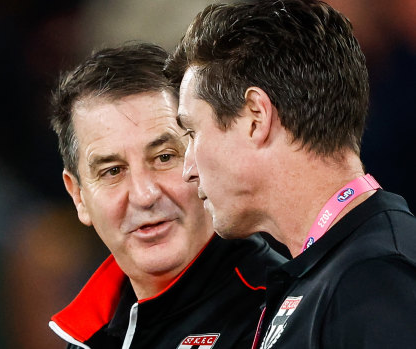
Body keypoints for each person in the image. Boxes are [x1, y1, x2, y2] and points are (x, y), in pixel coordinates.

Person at [165, 1, 416, 348]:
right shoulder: (336, 272)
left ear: (256, 118)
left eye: (193, 133)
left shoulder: (374, 279)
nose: (188, 170)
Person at [47, 42, 286, 349]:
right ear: (79, 196)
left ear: (206, 157)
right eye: (113, 171)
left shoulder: (277, 314)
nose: (145, 195)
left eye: (164, 157)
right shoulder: (87, 334)